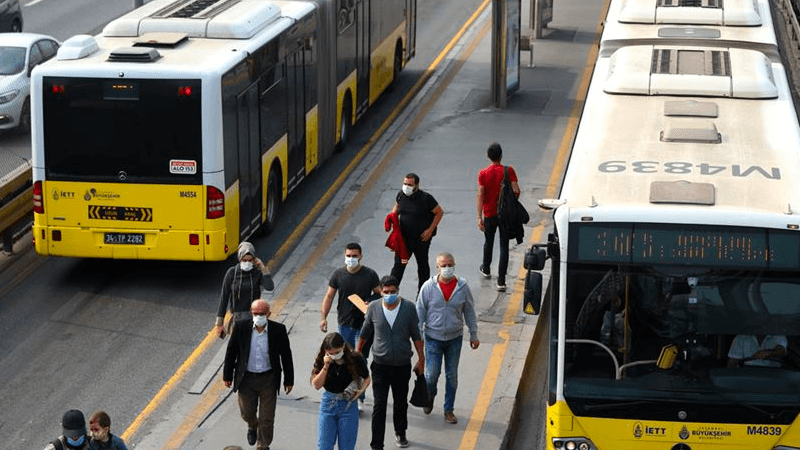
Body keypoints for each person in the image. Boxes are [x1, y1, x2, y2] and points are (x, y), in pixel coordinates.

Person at [356, 275, 424, 449]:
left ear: (398, 291)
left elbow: (416, 334)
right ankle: (377, 443)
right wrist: (357, 354)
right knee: (379, 405)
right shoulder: (373, 308)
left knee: (400, 402)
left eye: (393, 292)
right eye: (386, 292)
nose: (389, 295)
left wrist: (421, 358)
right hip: (380, 365)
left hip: (402, 365)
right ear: (380, 291)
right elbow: (364, 333)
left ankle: (400, 433)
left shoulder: (409, 308)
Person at [416, 252, 479, 424]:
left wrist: (474, 334)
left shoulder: (462, 287)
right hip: (433, 338)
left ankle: (448, 409)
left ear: (454, 264)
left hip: (454, 339)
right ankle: (429, 397)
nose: (447, 268)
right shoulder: (428, 287)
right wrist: (418, 339)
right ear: (437, 267)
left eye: (449, 264)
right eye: (443, 265)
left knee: (452, 376)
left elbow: (469, 312)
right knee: (431, 375)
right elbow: (419, 313)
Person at [223, 299, 294, 450]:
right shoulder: (241, 327)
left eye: (262, 314)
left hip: (268, 379)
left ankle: (263, 445)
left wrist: (289, 379)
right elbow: (231, 352)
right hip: (246, 378)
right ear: (251, 313)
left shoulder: (278, 330)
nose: (259, 316)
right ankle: (252, 425)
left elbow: (286, 356)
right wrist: (227, 376)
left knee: (267, 419)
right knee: (247, 413)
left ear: (269, 314)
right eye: (256, 313)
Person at [311, 332, 371, 450]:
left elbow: (367, 378)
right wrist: (326, 366)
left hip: (348, 404)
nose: (334, 355)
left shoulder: (355, 358)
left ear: (343, 346)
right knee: (324, 446)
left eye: (337, 352)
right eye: (331, 353)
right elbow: (316, 385)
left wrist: (361, 391)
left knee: (347, 446)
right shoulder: (322, 360)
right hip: (328, 403)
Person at [389, 173, 443, 290]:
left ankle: (423, 294)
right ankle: (390, 291)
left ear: (416, 185)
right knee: (399, 266)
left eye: (409, 184)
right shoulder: (401, 195)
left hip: (421, 239)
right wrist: (392, 216)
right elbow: (397, 207)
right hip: (404, 239)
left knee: (422, 266)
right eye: (405, 184)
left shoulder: (426, 198)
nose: (406, 187)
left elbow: (439, 212)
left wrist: (430, 230)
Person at [477, 142, 520, 291]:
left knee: (488, 242)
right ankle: (501, 281)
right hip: (505, 216)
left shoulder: (483, 173)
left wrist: (479, 217)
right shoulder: (509, 171)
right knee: (504, 246)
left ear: (488, 156)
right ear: (501, 156)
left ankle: (486, 268)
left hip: (489, 214)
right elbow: (516, 191)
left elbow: (480, 195)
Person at [215, 241, 275, 338]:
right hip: (237, 319)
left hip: (254, 318)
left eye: (250, 260)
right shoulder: (232, 273)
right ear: (240, 258)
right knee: (239, 350)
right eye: (244, 260)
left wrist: (263, 268)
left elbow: (270, 287)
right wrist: (219, 323)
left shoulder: (257, 272)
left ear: (254, 259)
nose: (247, 263)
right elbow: (224, 297)